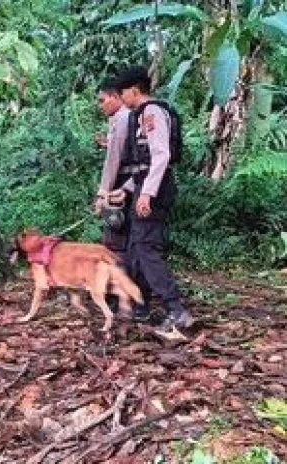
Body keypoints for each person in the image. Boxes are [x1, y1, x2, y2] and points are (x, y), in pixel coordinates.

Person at [108, 66, 192, 338]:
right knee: (134, 246)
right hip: (146, 186)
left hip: (155, 189)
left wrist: (147, 194)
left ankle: (176, 309)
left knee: (146, 248)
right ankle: (139, 304)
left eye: (122, 93)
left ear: (134, 90)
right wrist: (129, 189)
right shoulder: (140, 115)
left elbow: (161, 156)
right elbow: (144, 165)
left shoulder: (151, 112)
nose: (121, 99)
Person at [94, 78, 132, 258]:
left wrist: (103, 193)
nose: (100, 105)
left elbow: (114, 159)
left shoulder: (123, 118)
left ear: (115, 97)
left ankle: (120, 280)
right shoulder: (126, 116)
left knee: (116, 233)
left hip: (123, 181)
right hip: (132, 180)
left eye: (102, 100)